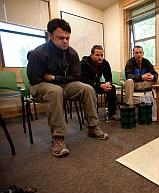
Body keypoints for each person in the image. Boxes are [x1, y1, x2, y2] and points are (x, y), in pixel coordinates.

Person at [27, 18, 109, 158]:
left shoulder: (72, 53)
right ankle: (58, 138)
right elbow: (35, 79)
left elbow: (76, 76)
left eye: (67, 38)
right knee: (55, 91)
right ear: (50, 36)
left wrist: (54, 78)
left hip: (58, 83)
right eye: (61, 38)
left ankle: (93, 126)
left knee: (87, 88)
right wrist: (55, 81)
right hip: (39, 85)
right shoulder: (38, 54)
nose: (65, 41)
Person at [80, 45, 118, 120]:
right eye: (97, 55)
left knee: (111, 88)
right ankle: (89, 114)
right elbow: (84, 80)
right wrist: (100, 85)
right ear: (92, 55)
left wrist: (107, 84)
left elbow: (109, 77)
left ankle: (112, 113)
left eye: (101, 55)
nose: (100, 57)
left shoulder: (105, 63)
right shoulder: (84, 63)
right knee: (89, 89)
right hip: (86, 85)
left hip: (97, 85)